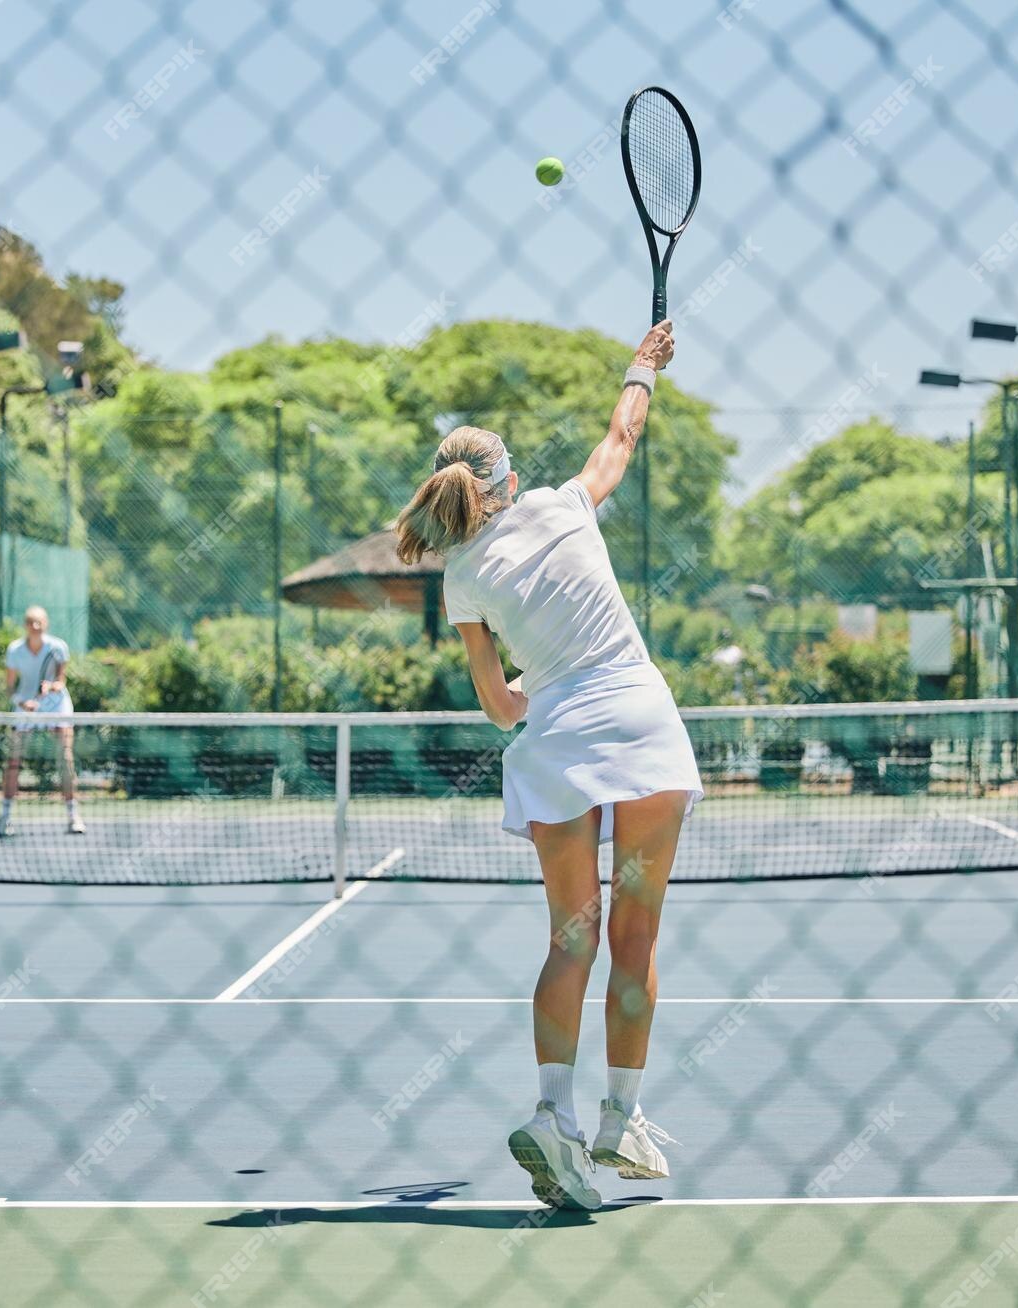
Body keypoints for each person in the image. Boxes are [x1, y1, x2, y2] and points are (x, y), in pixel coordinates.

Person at [394, 318, 701, 1212]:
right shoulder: (566, 505)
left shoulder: (461, 576)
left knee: (574, 936)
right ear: (509, 478)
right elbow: (621, 437)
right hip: (642, 726)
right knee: (635, 940)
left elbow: (499, 708)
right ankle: (621, 1118)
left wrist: (550, 695)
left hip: (555, 748)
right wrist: (643, 366)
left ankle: (552, 1113)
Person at [0, 606, 84, 836]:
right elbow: (10, 687)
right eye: (30, 622)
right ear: (25, 625)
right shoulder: (15, 650)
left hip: (56, 705)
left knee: (65, 758)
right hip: (25, 705)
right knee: (13, 761)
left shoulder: (58, 647)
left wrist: (51, 686)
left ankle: (74, 816)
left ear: (46, 624)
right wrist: (23, 702)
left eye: (39, 622)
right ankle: (5, 816)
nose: (35, 626)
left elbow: (61, 680)